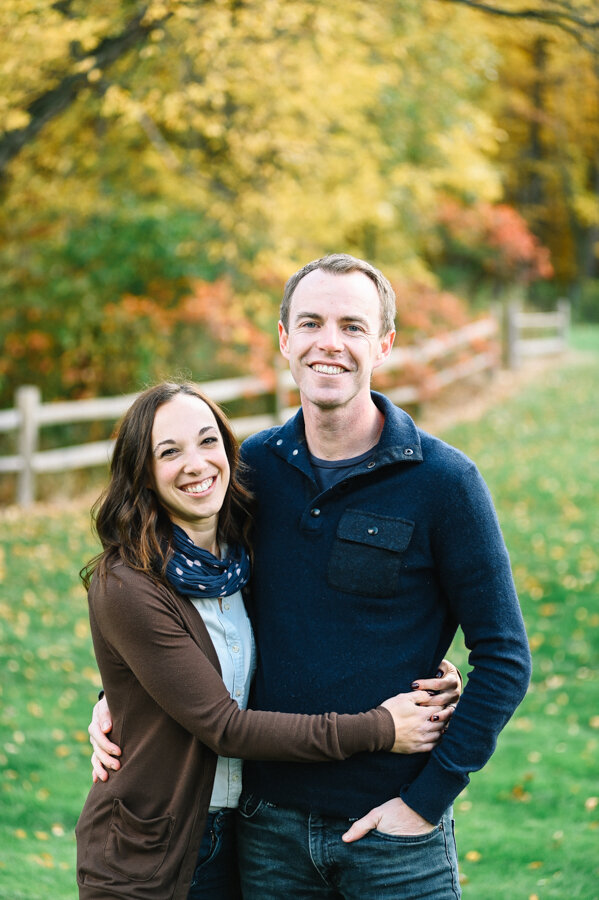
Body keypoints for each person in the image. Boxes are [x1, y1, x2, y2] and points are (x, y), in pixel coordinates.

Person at [90, 253, 531, 899]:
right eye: (311, 323)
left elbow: (504, 657)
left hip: (394, 833)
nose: (330, 343)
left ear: (382, 344)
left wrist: (424, 805)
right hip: (266, 833)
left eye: (352, 326)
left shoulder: (444, 483)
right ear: (284, 340)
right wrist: (113, 703)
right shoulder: (250, 472)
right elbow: (183, 601)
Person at [76, 380, 461, 900]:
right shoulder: (128, 582)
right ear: (142, 474)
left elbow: (314, 627)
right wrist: (382, 728)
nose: (196, 463)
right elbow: (223, 727)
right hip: (153, 847)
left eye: (208, 441)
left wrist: (420, 665)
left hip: (242, 833)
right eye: (169, 451)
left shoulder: (240, 556)